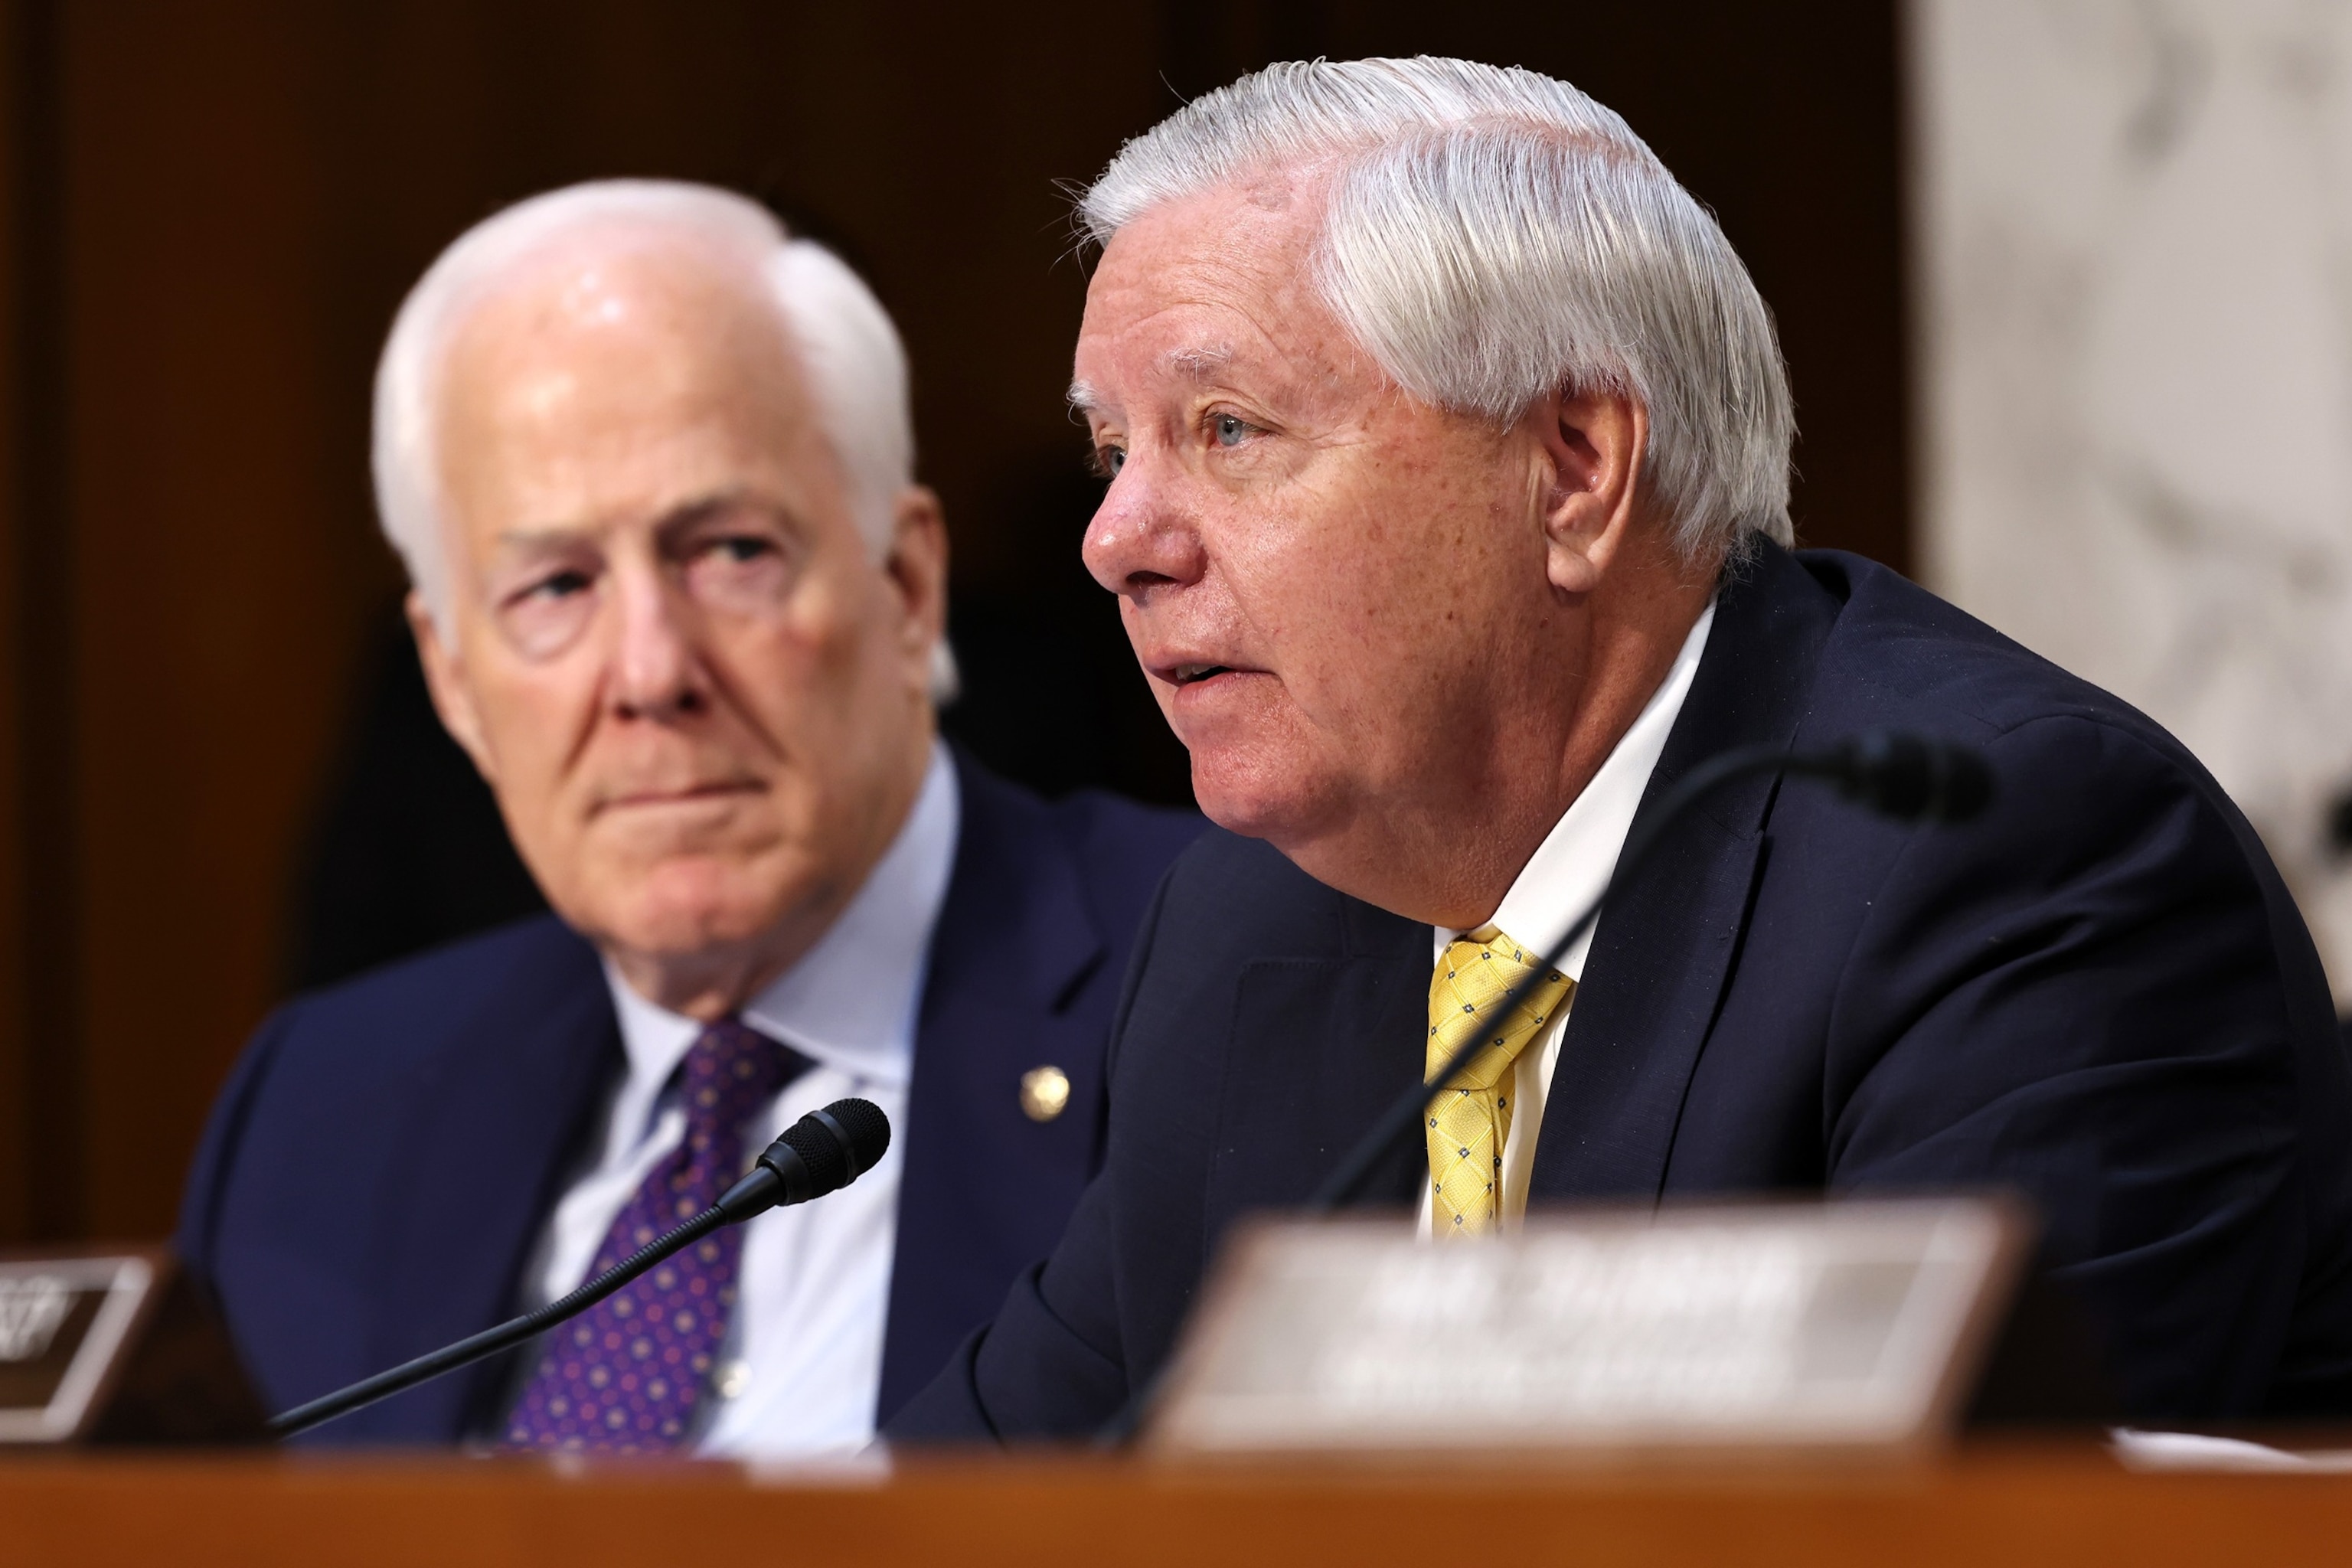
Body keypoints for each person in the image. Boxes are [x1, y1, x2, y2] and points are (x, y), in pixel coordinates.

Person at [887, 57, 2352, 1441]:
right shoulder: (1242, 927)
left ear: (1576, 470)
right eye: (1112, 455)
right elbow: (963, 1511)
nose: (1113, 542)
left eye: (1227, 428)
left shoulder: (2014, 867)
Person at [175, 181, 1203, 1455]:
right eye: (555, 585)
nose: (652, 672)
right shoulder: (323, 1110)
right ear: (452, 679)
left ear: (906, 585)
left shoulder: (1238, 988)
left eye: (730, 553)